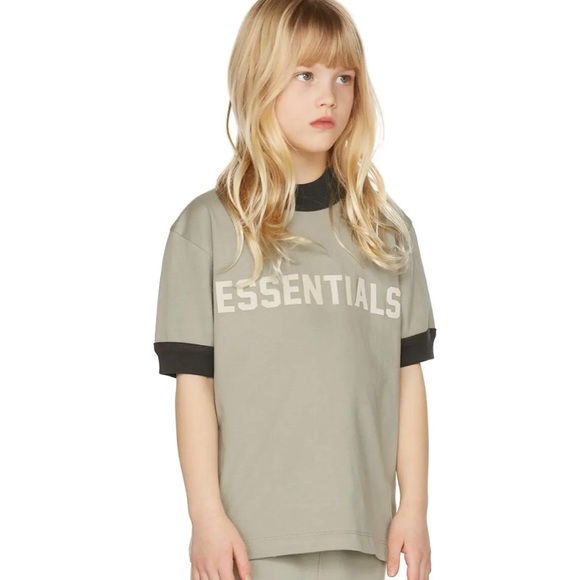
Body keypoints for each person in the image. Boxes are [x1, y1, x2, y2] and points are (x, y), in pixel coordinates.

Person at [153, 0, 437, 578]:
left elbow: (407, 378)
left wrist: (413, 508)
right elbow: (194, 386)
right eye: (304, 75)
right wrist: (206, 517)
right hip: (248, 541)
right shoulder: (206, 230)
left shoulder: (387, 234)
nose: (328, 96)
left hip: (364, 535)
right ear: (258, 80)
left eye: (343, 77)